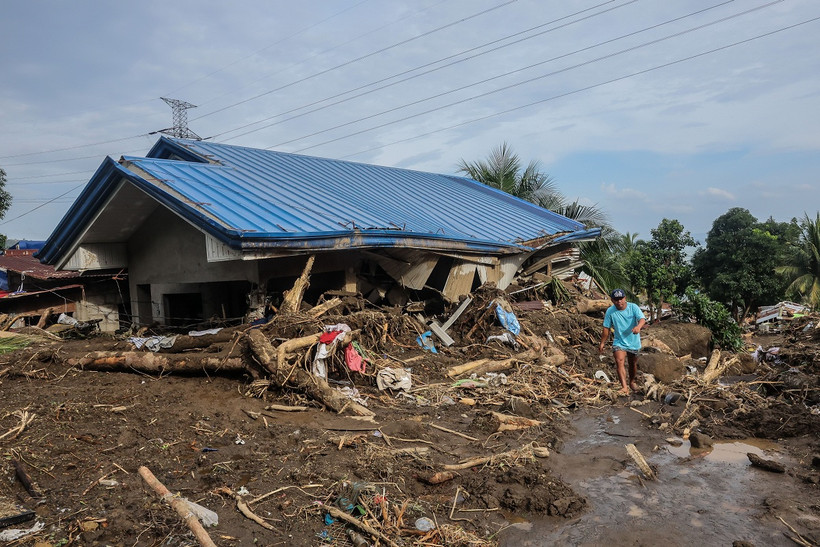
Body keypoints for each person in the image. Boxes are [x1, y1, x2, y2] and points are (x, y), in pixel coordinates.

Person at [598, 288, 646, 395]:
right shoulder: (610, 311)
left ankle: (632, 382)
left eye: (621, 299)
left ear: (625, 298)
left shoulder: (633, 307)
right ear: (612, 300)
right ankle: (624, 387)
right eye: (616, 299)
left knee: (632, 363)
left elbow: (642, 319)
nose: (619, 302)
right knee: (619, 361)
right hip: (619, 341)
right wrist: (602, 343)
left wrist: (638, 327)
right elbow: (606, 328)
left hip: (633, 342)